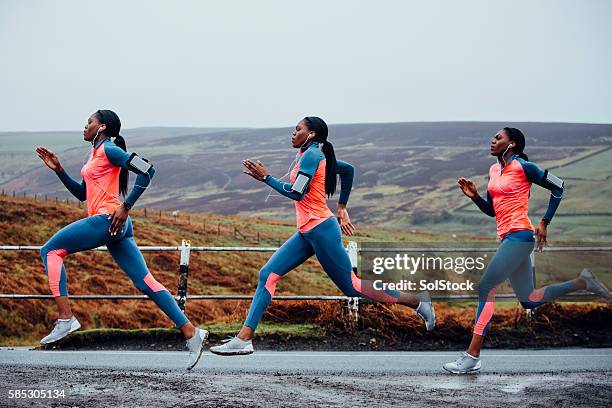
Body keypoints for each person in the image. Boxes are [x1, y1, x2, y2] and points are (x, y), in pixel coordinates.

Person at [210, 116, 435, 355]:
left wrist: (266, 178)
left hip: (321, 230)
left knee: (353, 288)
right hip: (307, 231)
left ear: (312, 134)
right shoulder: (313, 155)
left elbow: (297, 193)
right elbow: (348, 170)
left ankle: (418, 302)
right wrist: (341, 207)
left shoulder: (313, 156)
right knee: (267, 274)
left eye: (298, 129)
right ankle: (245, 338)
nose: (292, 133)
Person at [36, 110, 207, 369]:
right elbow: (83, 194)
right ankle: (192, 333)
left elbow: (148, 171)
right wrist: (59, 170)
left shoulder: (110, 149)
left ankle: (66, 318)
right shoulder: (95, 154)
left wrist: (126, 206)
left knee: (50, 251)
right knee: (145, 281)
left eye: (89, 122)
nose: (85, 126)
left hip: (109, 220)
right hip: (116, 225)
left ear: (102, 126)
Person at [443, 127, 611, 374]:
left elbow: (559, 186)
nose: (492, 140)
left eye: (498, 137)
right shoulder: (493, 170)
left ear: (512, 144)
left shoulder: (524, 167)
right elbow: (493, 211)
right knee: (529, 300)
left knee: (485, 288)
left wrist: (545, 222)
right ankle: (582, 282)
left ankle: (472, 356)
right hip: (508, 238)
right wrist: (475, 197)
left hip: (521, 236)